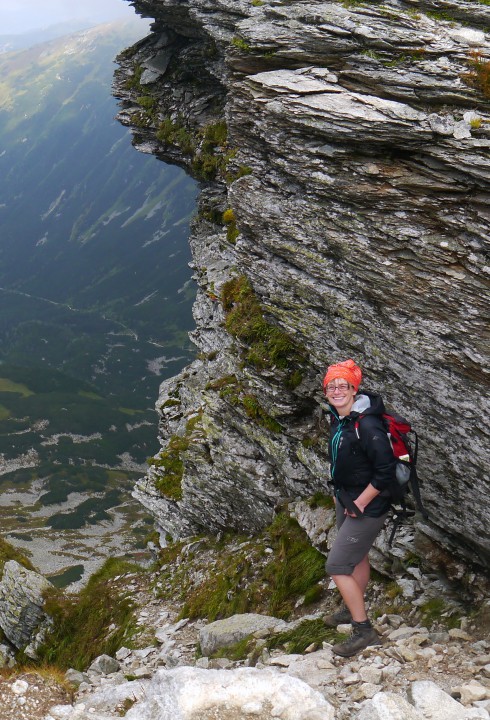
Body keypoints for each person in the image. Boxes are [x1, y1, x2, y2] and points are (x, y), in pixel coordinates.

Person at [322, 359, 395, 657]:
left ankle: (364, 631)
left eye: (344, 385)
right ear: (326, 392)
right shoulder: (341, 419)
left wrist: (360, 503)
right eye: (332, 386)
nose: (337, 390)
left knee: (337, 566)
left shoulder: (366, 424)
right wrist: (340, 496)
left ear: (355, 389)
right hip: (347, 498)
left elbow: (385, 471)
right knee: (358, 556)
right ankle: (352, 604)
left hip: (367, 505)